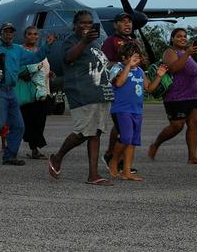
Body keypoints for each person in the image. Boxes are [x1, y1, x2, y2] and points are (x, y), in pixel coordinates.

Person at [48, 11, 114, 186]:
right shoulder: (71, 41)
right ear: (75, 25)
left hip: (100, 92)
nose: (87, 26)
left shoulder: (96, 43)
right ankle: (57, 157)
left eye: (90, 23)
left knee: (96, 133)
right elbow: (68, 58)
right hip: (82, 93)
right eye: (83, 23)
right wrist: (84, 41)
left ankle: (93, 175)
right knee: (82, 132)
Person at [0, 23, 52, 166]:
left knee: (19, 126)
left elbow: (34, 58)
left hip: (11, 91)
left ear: (14, 34)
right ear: (1, 33)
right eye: (6, 31)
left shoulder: (17, 49)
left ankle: (10, 156)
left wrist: (47, 46)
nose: (9, 34)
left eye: (11, 32)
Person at [109, 42, 167, 181]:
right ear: (123, 58)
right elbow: (118, 83)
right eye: (131, 57)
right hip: (122, 109)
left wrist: (159, 76)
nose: (136, 60)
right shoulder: (118, 67)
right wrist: (128, 66)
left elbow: (149, 88)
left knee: (133, 141)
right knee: (126, 138)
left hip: (137, 111)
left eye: (137, 57)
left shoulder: (140, 71)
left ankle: (127, 171)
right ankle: (114, 161)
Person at [148, 28, 197, 164]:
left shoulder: (186, 53)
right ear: (172, 39)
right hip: (177, 97)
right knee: (177, 126)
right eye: (179, 36)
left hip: (194, 97)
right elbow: (174, 69)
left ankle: (192, 157)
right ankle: (156, 144)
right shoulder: (170, 52)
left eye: (185, 36)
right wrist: (187, 54)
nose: (183, 38)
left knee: (193, 124)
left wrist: (187, 54)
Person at [101, 12, 140, 172]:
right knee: (121, 123)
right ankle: (118, 160)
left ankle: (111, 154)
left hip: (132, 87)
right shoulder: (110, 41)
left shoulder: (134, 41)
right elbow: (105, 62)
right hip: (118, 85)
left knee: (122, 125)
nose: (127, 24)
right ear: (115, 24)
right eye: (123, 22)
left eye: (129, 21)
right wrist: (121, 66)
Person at [18, 26, 54, 160]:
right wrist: (24, 74)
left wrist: (49, 73)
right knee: (29, 120)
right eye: (29, 34)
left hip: (43, 90)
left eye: (35, 34)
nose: (33, 36)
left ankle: (35, 147)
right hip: (29, 91)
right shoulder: (20, 50)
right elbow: (19, 69)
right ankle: (34, 148)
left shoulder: (41, 51)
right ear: (24, 36)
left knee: (40, 120)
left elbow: (43, 68)